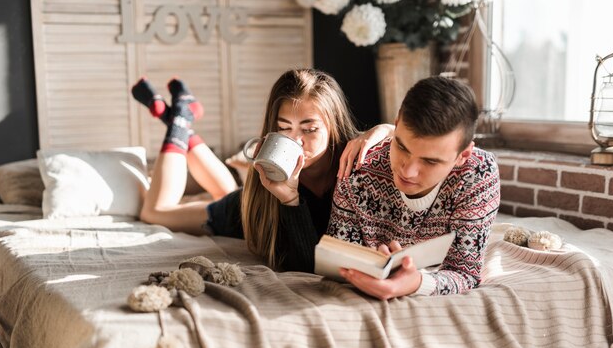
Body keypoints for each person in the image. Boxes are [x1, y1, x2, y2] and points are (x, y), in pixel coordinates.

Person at [133, 69, 392, 272]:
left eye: (309, 129)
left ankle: (179, 117)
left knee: (227, 189)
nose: (295, 141)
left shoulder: (359, 158)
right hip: (247, 209)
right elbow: (303, 263)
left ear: (334, 125)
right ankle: (179, 118)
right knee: (155, 213)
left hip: (250, 196)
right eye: (283, 128)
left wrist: (385, 129)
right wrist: (289, 200)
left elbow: (407, 140)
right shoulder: (261, 200)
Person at [327, 76, 501, 299]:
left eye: (430, 161)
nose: (407, 171)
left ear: (463, 155)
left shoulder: (477, 172)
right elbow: (338, 258)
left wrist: (417, 283)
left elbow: (465, 272)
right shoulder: (358, 167)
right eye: (401, 146)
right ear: (396, 123)